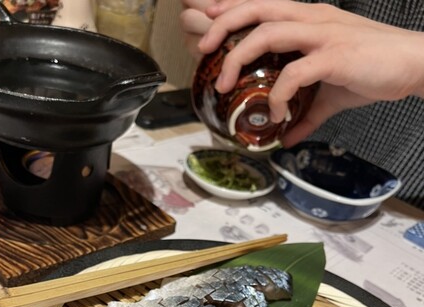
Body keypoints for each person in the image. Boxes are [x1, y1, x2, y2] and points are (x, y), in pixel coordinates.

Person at [180, 0, 424, 209]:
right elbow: (293, 20)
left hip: (410, 206)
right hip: (289, 164)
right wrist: (238, 23)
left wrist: (415, 62)